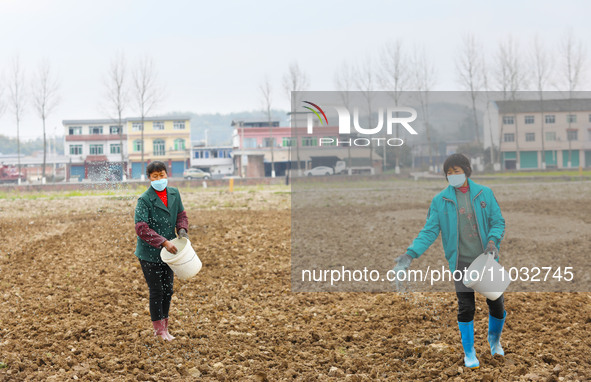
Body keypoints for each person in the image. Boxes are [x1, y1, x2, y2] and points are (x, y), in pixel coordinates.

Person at [394, 153, 506, 369]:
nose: (453, 175)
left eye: (457, 171)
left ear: (466, 171)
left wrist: (493, 241)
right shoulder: (440, 201)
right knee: (466, 307)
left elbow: (497, 221)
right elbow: (429, 231)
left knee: (497, 305)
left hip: (485, 259)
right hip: (460, 264)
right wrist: (410, 254)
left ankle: (495, 341)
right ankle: (470, 352)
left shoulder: (485, 193)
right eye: (449, 173)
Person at [134, 161, 190, 341]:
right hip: (150, 253)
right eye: (155, 176)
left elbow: (181, 214)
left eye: (162, 175)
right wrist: (163, 242)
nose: (159, 179)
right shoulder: (144, 199)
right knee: (157, 290)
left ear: (167, 175)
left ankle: (165, 328)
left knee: (168, 290)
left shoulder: (174, 193)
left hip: (170, 251)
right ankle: (158, 331)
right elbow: (141, 228)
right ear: (149, 178)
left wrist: (182, 229)